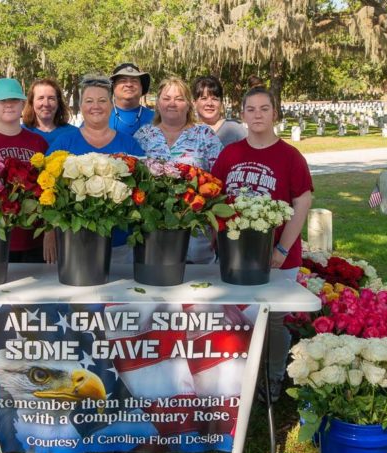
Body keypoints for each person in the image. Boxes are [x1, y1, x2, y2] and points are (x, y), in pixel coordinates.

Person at [211, 86, 313, 401]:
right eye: (251, 109)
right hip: (234, 256)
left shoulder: (290, 156)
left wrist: (282, 248)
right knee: (235, 317)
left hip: (277, 256)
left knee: (275, 320)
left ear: (274, 113)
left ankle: (272, 378)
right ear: (242, 114)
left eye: (264, 109)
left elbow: (303, 201)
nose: (257, 115)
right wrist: (218, 242)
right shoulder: (231, 154)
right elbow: (213, 197)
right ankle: (234, 379)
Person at [47, 75, 145, 262]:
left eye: (102, 100)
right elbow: (47, 190)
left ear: (111, 104)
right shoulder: (64, 143)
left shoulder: (129, 145)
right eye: (89, 101)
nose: (96, 106)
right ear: (81, 106)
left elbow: (142, 190)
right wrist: (50, 232)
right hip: (75, 240)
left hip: (120, 243)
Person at [134, 77, 223, 263]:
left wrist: (218, 224)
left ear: (189, 104)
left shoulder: (205, 135)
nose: (172, 103)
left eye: (179, 98)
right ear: (157, 103)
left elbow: (220, 180)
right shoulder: (144, 135)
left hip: (196, 229)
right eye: (166, 98)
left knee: (197, 284)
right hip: (153, 227)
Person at [0, 78, 54, 263]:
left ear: (23, 104)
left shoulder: (38, 143)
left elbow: (51, 191)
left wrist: (50, 231)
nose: (8, 105)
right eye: (2, 101)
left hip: (34, 238)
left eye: (14, 100)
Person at [192, 75, 247, 147]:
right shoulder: (186, 132)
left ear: (221, 103)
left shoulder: (236, 130)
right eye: (204, 98)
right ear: (194, 103)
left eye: (214, 99)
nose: (209, 103)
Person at [22, 78, 78, 144]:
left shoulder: (74, 134)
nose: (46, 104)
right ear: (32, 102)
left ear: (58, 102)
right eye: (41, 98)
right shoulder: (20, 133)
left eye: (51, 98)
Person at [108, 63, 154, 136]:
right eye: (123, 80)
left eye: (134, 81)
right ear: (113, 87)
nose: (129, 84)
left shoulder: (156, 119)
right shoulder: (98, 117)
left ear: (141, 87)